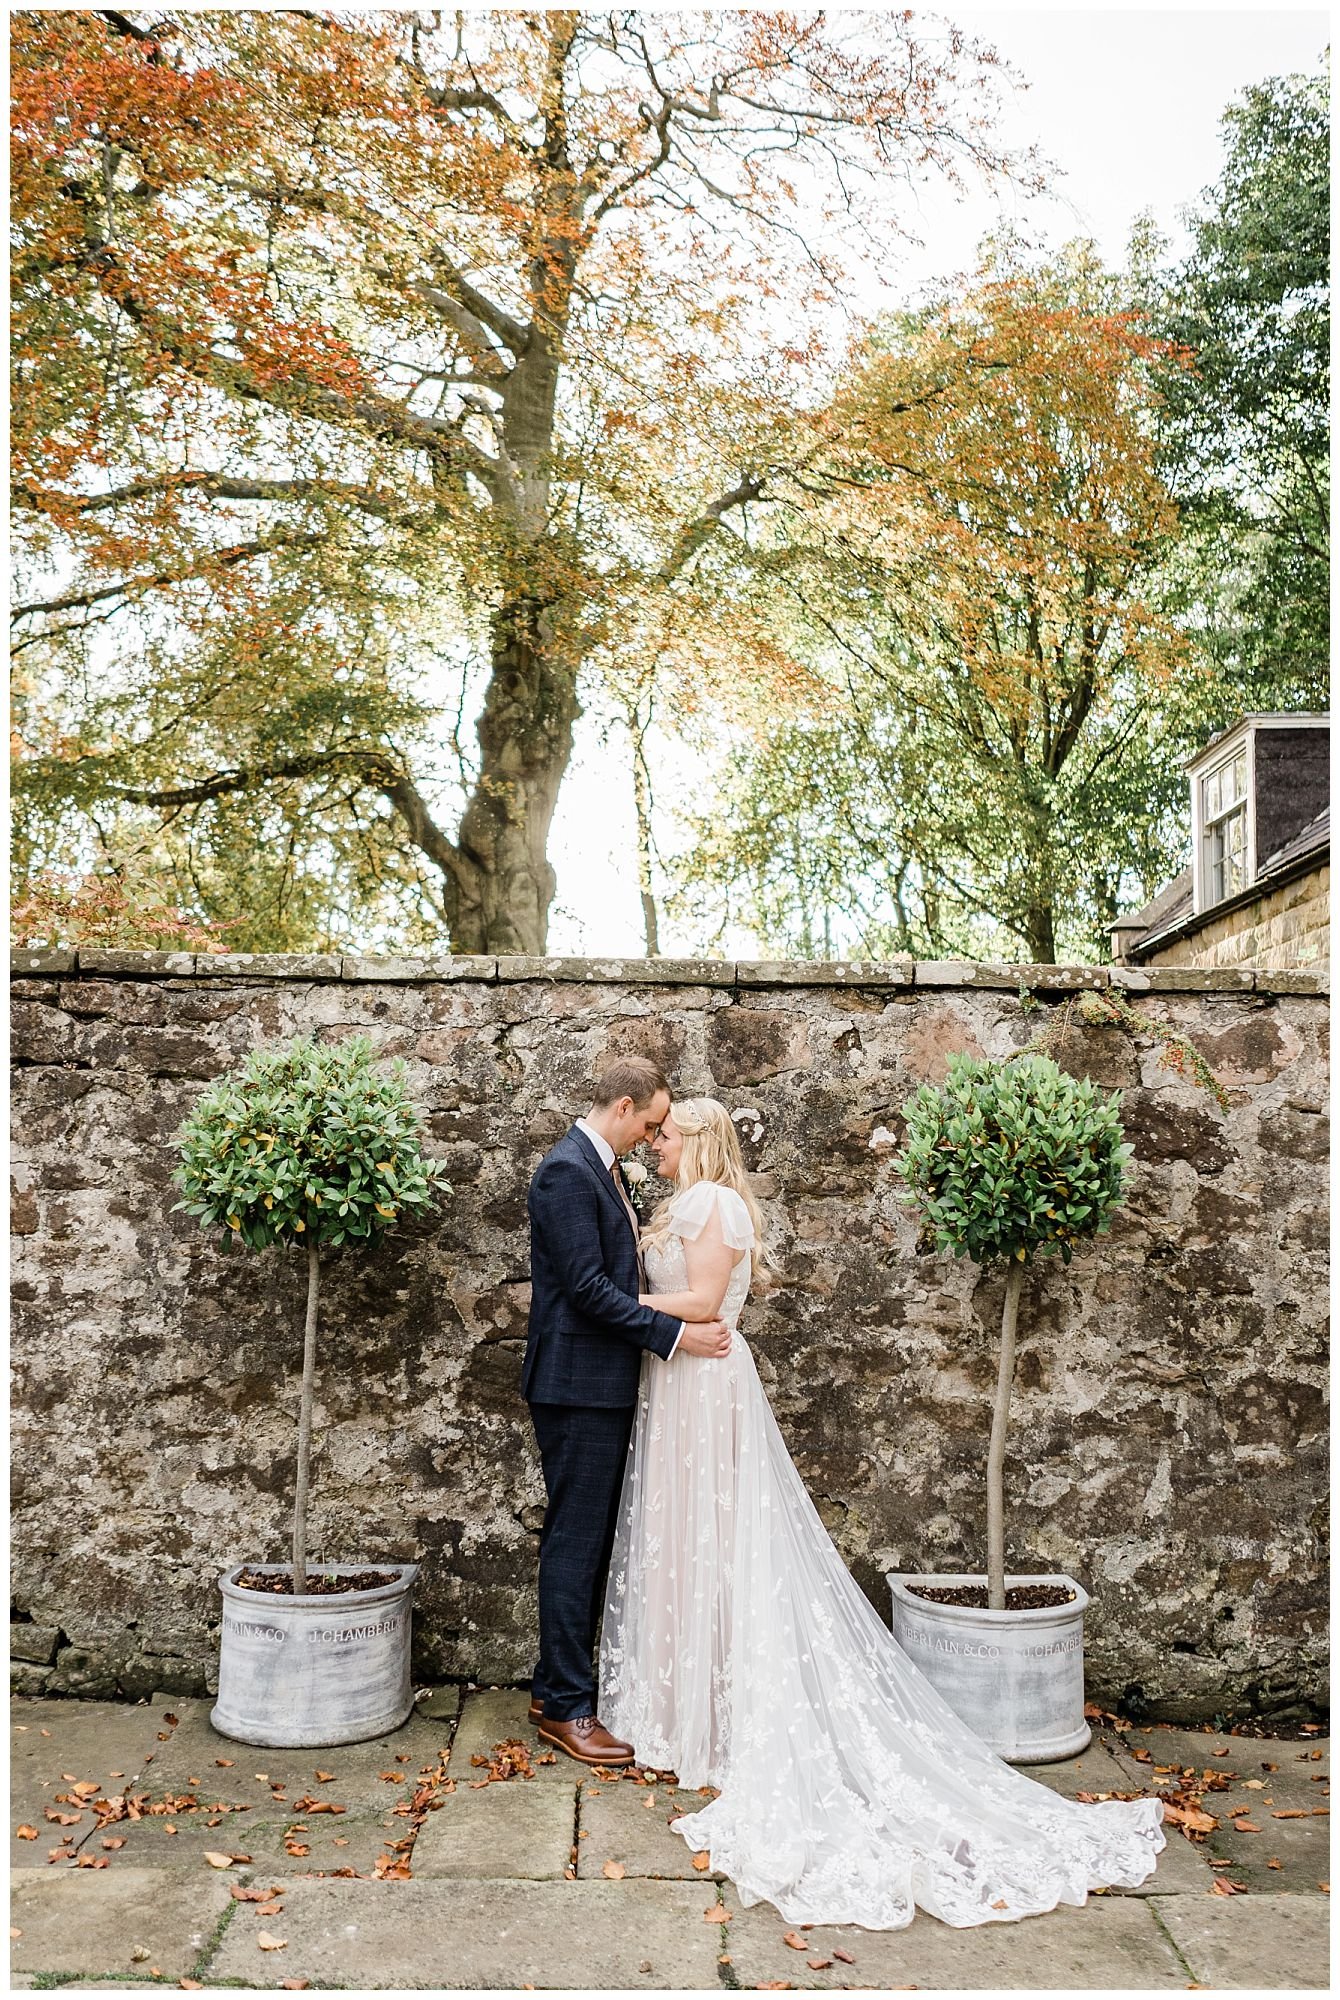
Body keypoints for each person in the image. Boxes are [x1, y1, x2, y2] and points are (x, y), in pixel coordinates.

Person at [598, 1095, 1166, 1928]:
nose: (658, 1143)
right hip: (673, 1379)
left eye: (670, 1133)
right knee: (682, 1541)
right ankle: (686, 1708)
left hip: (706, 1382)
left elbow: (710, 1299)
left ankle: (719, 1718)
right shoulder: (677, 1204)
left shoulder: (715, 1203)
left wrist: (623, 1310)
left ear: (702, 1142)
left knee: (720, 1540)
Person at [521, 1056, 731, 1767]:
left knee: (585, 1541)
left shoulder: (599, 1166)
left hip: (601, 1382)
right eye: (647, 1123)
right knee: (576, 1544)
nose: (651, 1137)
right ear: (621, 1105)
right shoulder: (566, 1172)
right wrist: (675, 1333)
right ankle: (569, 1711)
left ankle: (556, 1687)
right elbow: (584, 1288)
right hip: (577, 1385)